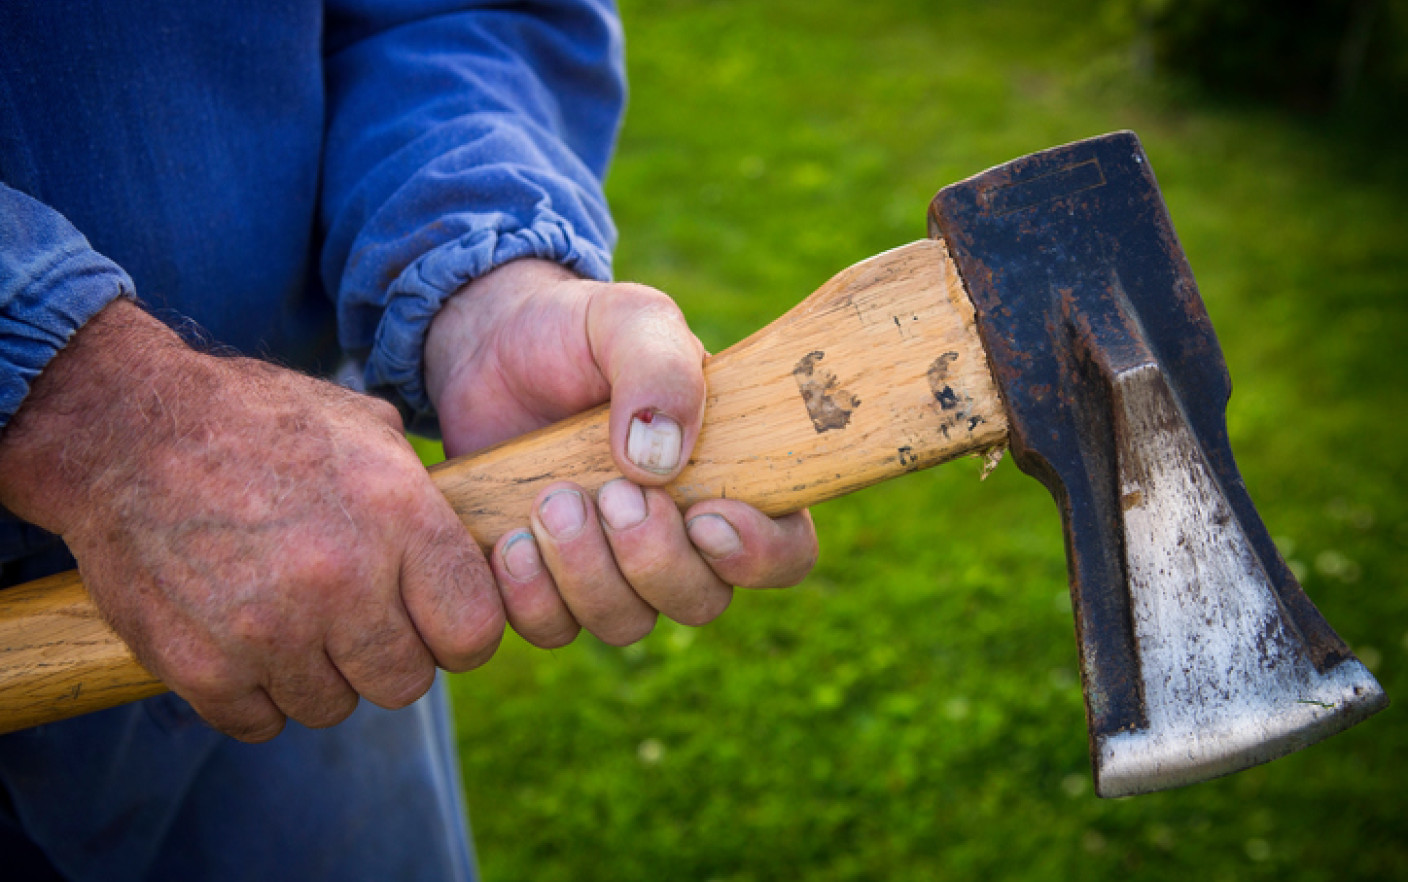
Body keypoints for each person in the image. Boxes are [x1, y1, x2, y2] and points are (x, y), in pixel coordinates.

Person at [0, 2, 818, 879]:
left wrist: (483, 274)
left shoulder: (332, 535)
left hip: (313, 541)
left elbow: (443, 13)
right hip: (256, 497)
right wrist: (97, 412)